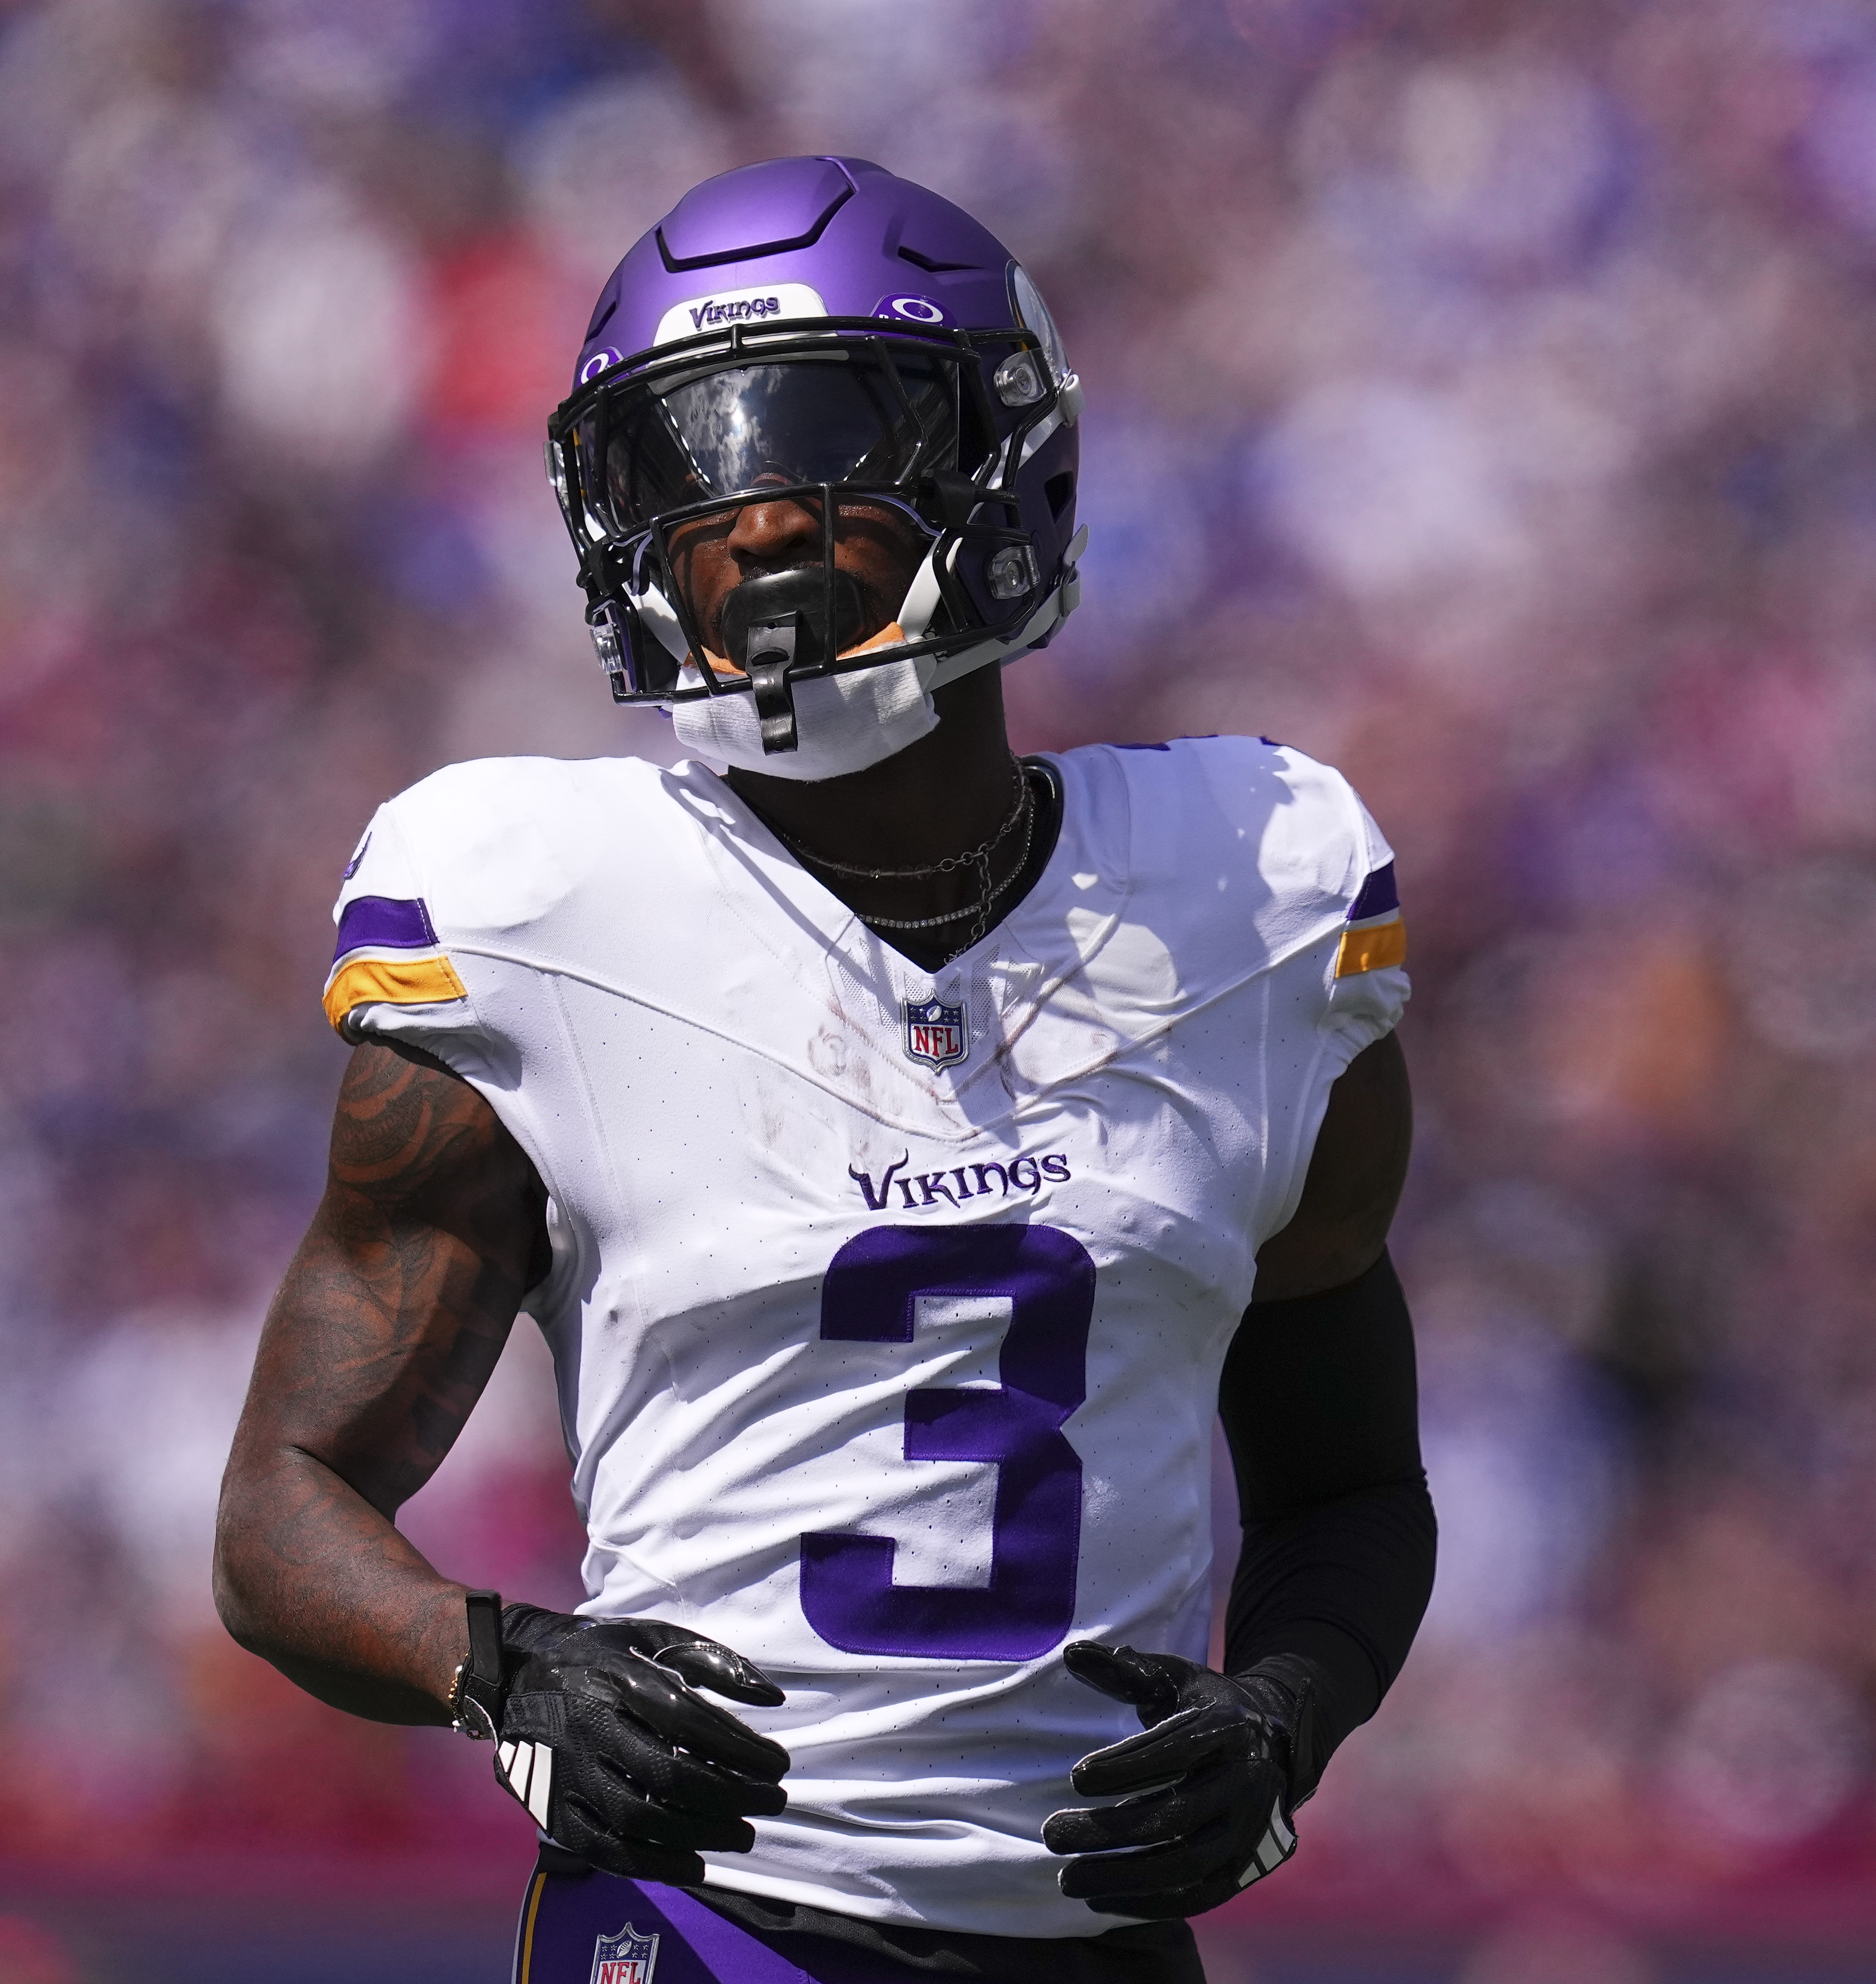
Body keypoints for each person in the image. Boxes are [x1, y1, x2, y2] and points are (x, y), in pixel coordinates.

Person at [212, 155, 1435, 1984]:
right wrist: (500, 1667)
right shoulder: (541, 906)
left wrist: (1284, 1714)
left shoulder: (1254, 895)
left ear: (996, 457)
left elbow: (1350, 1486)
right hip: (710, 1924)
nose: (756, 526)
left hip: (1095, 1937)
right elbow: (281, 1511)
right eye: (689, 470)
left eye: (821, 441)